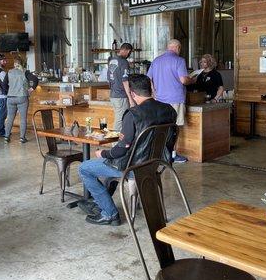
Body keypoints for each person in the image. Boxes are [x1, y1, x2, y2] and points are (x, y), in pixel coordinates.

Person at [78, 74, 177, 226]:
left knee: (84, 168)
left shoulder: (132, 115)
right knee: (107, 170)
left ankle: (109, 214)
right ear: (150, 89)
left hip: (133, 167)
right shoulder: (169, 110)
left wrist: (103, 153)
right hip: (156, 163)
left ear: (132, 94)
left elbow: (121, 151)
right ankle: (101, 203)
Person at [147, 39, 193, 163]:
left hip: (159, 100)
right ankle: (172, 154)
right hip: (175, 99)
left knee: (161, 127)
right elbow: (183, 80)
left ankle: (159, 153)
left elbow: (148, 78)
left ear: (168, 47)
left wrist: (153, 92)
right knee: (174, 128)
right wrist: (192, 80)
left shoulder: (156, 61)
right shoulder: (179, 60)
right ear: (178, 48)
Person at [3, 58, 39, 144]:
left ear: (14, 64)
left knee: (10, 117)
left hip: (10, 97)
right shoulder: (25, 72)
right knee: (23, 118)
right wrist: (31, 89)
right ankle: (22, 138)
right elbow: (35, 80)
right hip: (22, 97)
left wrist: (9, 91)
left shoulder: (9, 72)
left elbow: (4, 84)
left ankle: (6, 137)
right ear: (22, 64)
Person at [107, 42, 134, 132]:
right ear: (127, 51)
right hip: (121, 96)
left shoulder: (112, 60)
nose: (128, 55)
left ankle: (117, 142)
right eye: (129, 53)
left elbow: (109, 78)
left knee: (119, 117)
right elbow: (125, 81)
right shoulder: (124, 62)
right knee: (121, 119)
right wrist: (130, 98)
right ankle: (116, 143)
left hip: (113, 95)